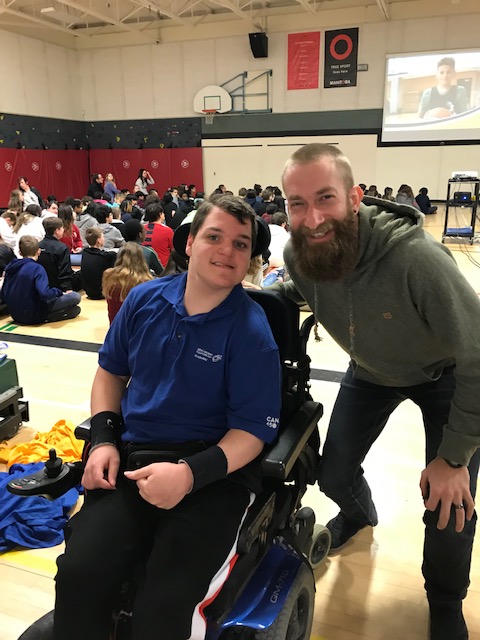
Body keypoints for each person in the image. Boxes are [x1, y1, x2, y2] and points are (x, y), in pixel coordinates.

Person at [272, 142, 480, 640]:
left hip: (445, 375)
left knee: (449, 502)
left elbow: (478, 356)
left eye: (325, 198)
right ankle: (360, 515)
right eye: (297, 204)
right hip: (369, 370)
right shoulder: (300, 252)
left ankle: (445, 601)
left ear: (355, 197)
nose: (313, 217)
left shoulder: (416, 259)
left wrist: (453, 460)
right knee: (332, 469)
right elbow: (304, 291)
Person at [52, 195, 280, 640]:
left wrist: (189, 476)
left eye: (240, 244)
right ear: (190, 243)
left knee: (166, 606)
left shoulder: (252, 333)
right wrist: (102, 439)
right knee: (78, 574)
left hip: (212, 477)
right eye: (214, 237)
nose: (226, 252)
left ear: (250, 258)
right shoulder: (143, 300)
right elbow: (110, 373)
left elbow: (252, 433)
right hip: (134, 460)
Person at [3, 235, 81, 324]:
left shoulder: (10, 267)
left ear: (20, 252)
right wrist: (58, 292)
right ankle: (50, 316)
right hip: (34, 314)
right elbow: (45, 294)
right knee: (75, 297)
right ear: (39, 251)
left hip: (15, 314)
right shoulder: (37, 268)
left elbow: (4, 292)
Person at [101, 242, 154, 324]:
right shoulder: (146, 281)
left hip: (114, 327)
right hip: (137, 330)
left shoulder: (108, 275)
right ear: (141, 259)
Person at [38, 218, 82, 292]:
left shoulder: (38, 245)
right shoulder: (62, 248)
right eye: (62, 228)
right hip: (58, 287)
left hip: (42, 285)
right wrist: (68, 289)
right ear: (57, 231)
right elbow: (64, 271)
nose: (63, 230)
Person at [80, 228, 117, 300]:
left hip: (88, 291)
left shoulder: (85, 253)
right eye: (103, 237)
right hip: (101, 292)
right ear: (99, 240)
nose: (104, 239)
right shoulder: (108, 256)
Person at [142, 202, 173, 267]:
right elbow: (173, 249)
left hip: (144, 266)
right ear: (160, 214)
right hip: (163, 268)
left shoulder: (141, 229)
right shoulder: (167, 230)